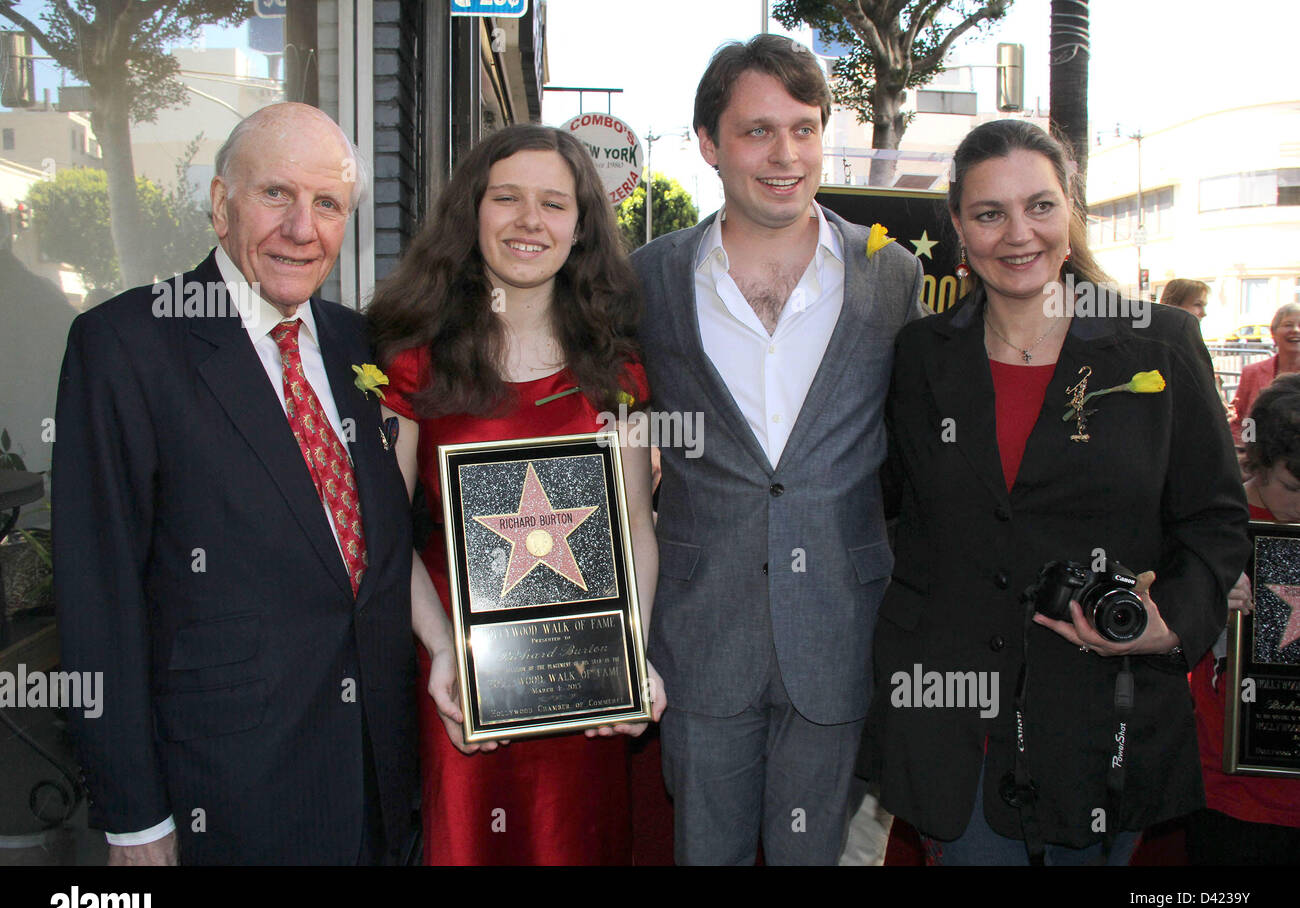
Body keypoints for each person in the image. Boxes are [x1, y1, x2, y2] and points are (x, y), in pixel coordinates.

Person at [866, 119, 1250, 865]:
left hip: (1105, 713)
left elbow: (1216, 521)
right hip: (955, 724)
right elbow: (887, 509)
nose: (1019, 234)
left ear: (1071, 209)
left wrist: (1169, 624)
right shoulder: (919, 356)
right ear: (958, 227)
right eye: (990, 213)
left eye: (1040, 206)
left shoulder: (1159, 343)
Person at [52, 103, 418, 865]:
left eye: (327, 205)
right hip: (225, 798)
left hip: (380, 787)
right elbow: (98, 592)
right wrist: (133, 815)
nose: (301, 228)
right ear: (221, 205)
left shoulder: (364, 347)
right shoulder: (126, 346)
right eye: (275, 195)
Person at [631, 35, 926, 865]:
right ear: (708, 144)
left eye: (803, 128)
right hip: (699, 636)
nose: (784, 153)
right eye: (757, 130)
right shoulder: (646, 281)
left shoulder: (889, 275)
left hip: (844, 629)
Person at [367, 124, 665, 866]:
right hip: (462, 685)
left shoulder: (615, 367)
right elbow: (383, 534)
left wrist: (632, 654)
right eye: (507, 198)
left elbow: (634, 525)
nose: (530, 220)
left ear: (580, 228)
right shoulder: (410, 364)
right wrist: (443, 650)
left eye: (554, 204)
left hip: (583, 688)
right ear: (472, 212)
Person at [1187, 373, 1300, 864]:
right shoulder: (1215, 518)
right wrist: (1203, 591)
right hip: (1229, 778)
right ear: (1258, 461)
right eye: (1294, 486)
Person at [1229, 303, 1300, 447]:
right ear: (1274, 334)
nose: (1295, 330)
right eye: (1288, 324)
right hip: (1260, 460)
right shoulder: (1251, 372)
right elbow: (1241, 420)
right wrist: (1247, 448)